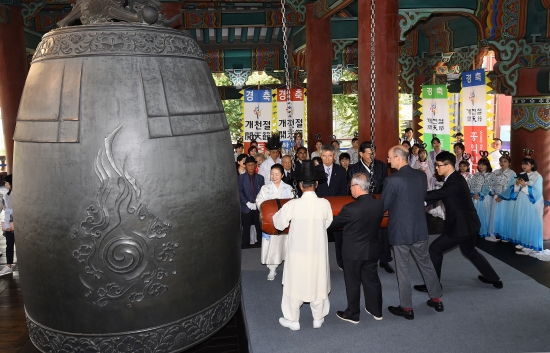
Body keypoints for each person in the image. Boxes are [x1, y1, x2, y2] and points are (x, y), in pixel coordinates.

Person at [415, 151, 503, 292]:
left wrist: (413, 197)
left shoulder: (454, 181)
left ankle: (433, 285)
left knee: (435, 249)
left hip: (461, 227)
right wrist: (422, 201)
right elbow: (439, 195)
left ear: (448, 165)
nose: (436, 168)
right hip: (470, 224)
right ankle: (494, 279)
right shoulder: (453, 178)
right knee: (470, 251)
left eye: (438, 165)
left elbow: (439, 194)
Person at [381, 146, 443, 320]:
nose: (388, 161)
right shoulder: (421, 175)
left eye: (390, 157)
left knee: (403, 270)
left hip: (400, 230)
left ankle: (407, 308)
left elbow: (383, 205)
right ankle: (436, 299)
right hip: (419, 227)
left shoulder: (392, 180)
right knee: (426, 264)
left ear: (398, 158)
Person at [273, 160, 332, 331]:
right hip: (318, 251)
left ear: (300, 185)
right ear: (316, 184)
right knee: (318, 281)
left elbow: (278, 223)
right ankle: (318, 318)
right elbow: (327, 223)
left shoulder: (293, 204)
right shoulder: (325, 204)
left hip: (297, 252)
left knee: (295, 283)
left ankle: (293, 319)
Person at [329, 173, 385, 324]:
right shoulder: (379, 204)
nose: (350, 188)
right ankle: (376, 310)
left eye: (351, 186)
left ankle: (353, 314)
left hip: (353, 252)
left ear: (358, 187)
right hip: (372, 249)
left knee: (353, 283)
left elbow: (332, 224)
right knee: (372, 280)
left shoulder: (349, 209)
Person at [347, 141, 393, 274]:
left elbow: (386, 185)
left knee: (382, 233)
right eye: (369, 153)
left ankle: (384, 260)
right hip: (361, 204)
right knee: (364, 234)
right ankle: (363, 261)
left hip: (378, 203)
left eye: (374, 153)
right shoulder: (354, 168)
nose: (372, 156)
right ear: (360, 154)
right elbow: (349, 188)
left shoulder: (381, 166)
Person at [256, 164, 293, 280]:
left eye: (277, 174)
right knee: (272, 246)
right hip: (271, 223)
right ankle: (272, 269)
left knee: (286, 244)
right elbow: (259, 201)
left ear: (282, 175)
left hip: (285, 223)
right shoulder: (265, 188)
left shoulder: (288, 188)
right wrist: (266, 210)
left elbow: (293, 203)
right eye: (272, 173)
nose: (274, 176)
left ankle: (289, 268)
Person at [315, 144, 348, 269]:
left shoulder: (340, 171)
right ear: (320, 156)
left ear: (334, 156)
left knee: (339, 237)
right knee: (319, 236)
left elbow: (343, 191)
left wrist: (334, 204)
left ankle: (341, 262)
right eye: (324, 156)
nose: (327, 159)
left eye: (330, 156)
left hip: (336, 209)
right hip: (319, 208)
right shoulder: (315, 170)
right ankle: (318, 264)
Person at [511, 156, 543, 255]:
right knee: (521, 220)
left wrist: (525, 185)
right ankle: (523, 241)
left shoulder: (537, 176)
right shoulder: (521, 174)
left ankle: (530, 244)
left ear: (532, 165)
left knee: (530, 221)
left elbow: (537, 192)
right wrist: (517, 184)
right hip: (521, 200)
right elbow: (516, 190)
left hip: (531, 202)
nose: (524, 166)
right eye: (523, 164)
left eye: (527, 164)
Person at [238, 156, 265, 249]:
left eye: (252, 165)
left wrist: (256, 203)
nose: (251, 167)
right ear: (245, 166)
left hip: (257, 206)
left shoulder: (260, 178)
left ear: (255, 165)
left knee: (259, 226)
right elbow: (240, 192)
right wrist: (247, 203)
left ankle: (261, 244)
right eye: (249, 165)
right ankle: (245, 245)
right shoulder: (241, 178)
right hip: (246, 207)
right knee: (246, 227)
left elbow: (262, 192)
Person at [489, 154, 516, 242]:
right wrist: (493, 193)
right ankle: (495, 235)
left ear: (509, 163)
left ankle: (505, 236)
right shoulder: (495, 172)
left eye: (505, 161)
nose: (502, 163)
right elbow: (490, 183)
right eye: (501, 161)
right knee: (495, 216)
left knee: (505, 216)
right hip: (496, 197)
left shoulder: (512, 173)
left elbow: (511, 187)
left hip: (505, 199)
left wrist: (503, 196)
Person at [470, 158, 493, 239]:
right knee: (475, 215)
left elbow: (488, 187)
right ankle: (475, 230)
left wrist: (481, 194)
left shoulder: (490, 175)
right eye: (479, 164)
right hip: (475, 197)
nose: (480, 166)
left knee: (484, 215)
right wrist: (472, 193)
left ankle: (484, 231)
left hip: (484, 198)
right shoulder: (475, 175)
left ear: (487, 166)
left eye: (483, 165)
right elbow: (471, 184)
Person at [0, 175, 14, 276]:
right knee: (9, 245)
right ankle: (9, 266)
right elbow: (8, 212)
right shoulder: (6, 195)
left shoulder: (18, 195)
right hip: (10, 223)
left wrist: (7, 209)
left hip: (19, 223)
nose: (5, 184)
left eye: (6, 182)